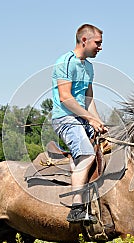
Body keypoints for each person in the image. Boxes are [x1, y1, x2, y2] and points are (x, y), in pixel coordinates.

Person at [51, 24, 107, 223]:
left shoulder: (88, 67)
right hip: (65, 119)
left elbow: (88, 98)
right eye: (98, 43)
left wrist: (98, 122)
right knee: (86, 154)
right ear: (84, 40)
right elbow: (66, 98)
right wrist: (89, 119)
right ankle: (76, 208)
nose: (100, 47)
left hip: (82, 118)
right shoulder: (65, 62)